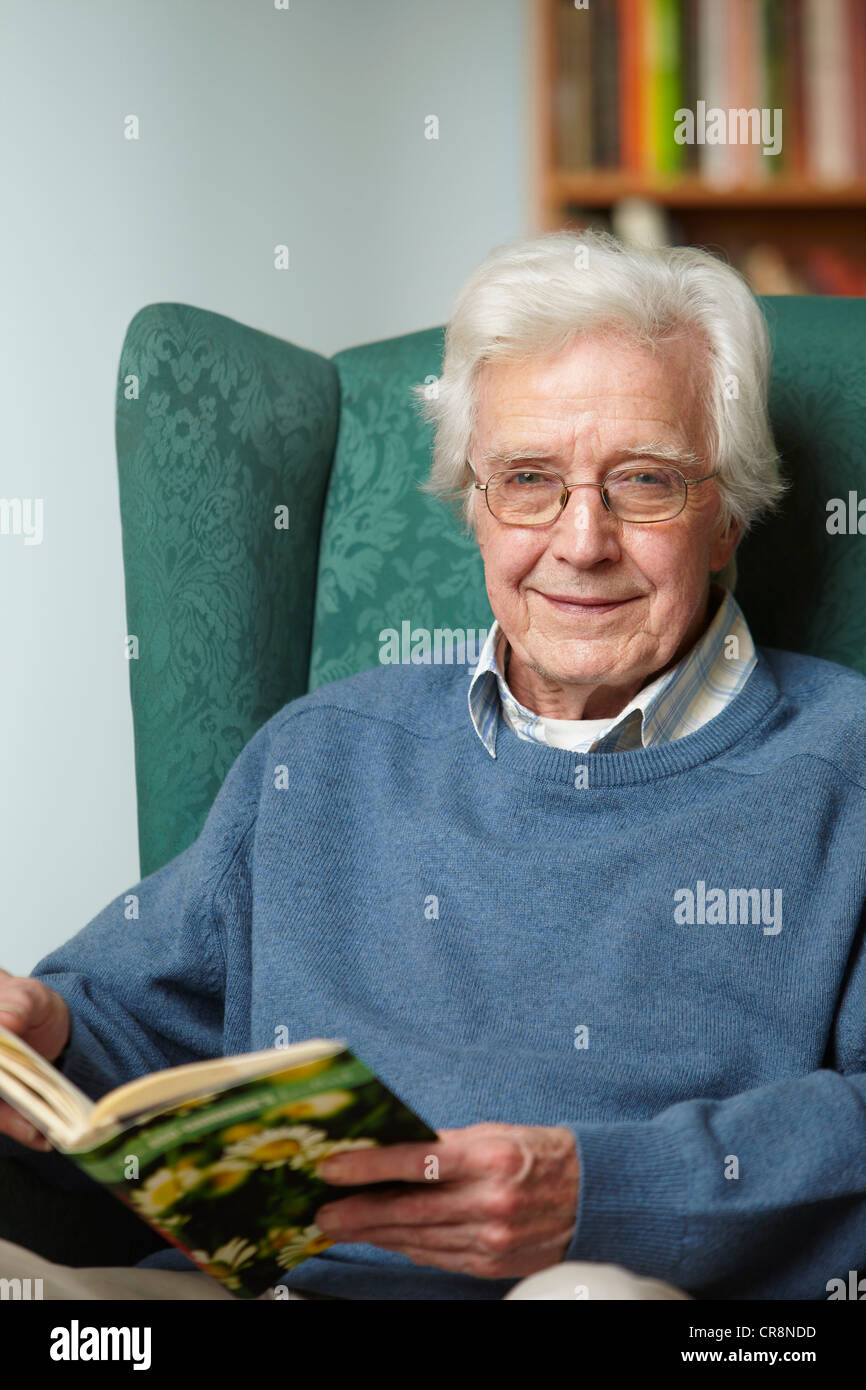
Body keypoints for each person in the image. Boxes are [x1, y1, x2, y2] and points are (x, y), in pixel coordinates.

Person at [1, 229, 864, 1301]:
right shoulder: (320, 753)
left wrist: (594, 1193)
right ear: (472, 502)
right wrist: (50, 1030)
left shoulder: (843, 768)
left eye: (642, 481)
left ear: (726, 511)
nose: (579, 540)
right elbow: (144, 1026)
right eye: (527, 479)